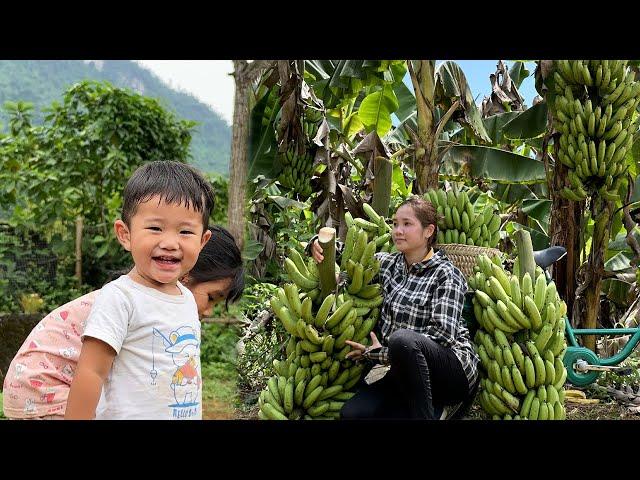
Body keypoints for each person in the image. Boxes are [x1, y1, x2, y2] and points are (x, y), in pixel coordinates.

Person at [311, 196, 479, 419]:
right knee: (353, 413)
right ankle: (435, 410)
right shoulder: (388, 264)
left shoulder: (446, 274)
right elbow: (349, 256)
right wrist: (315, 243)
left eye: (407, 224)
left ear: (429, 231)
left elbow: (442, 336)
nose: (398, 230)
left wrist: (381, 354)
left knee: (402, 340)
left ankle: (443, 407)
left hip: (450, 372)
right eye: (395, 224)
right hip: (406, 371)